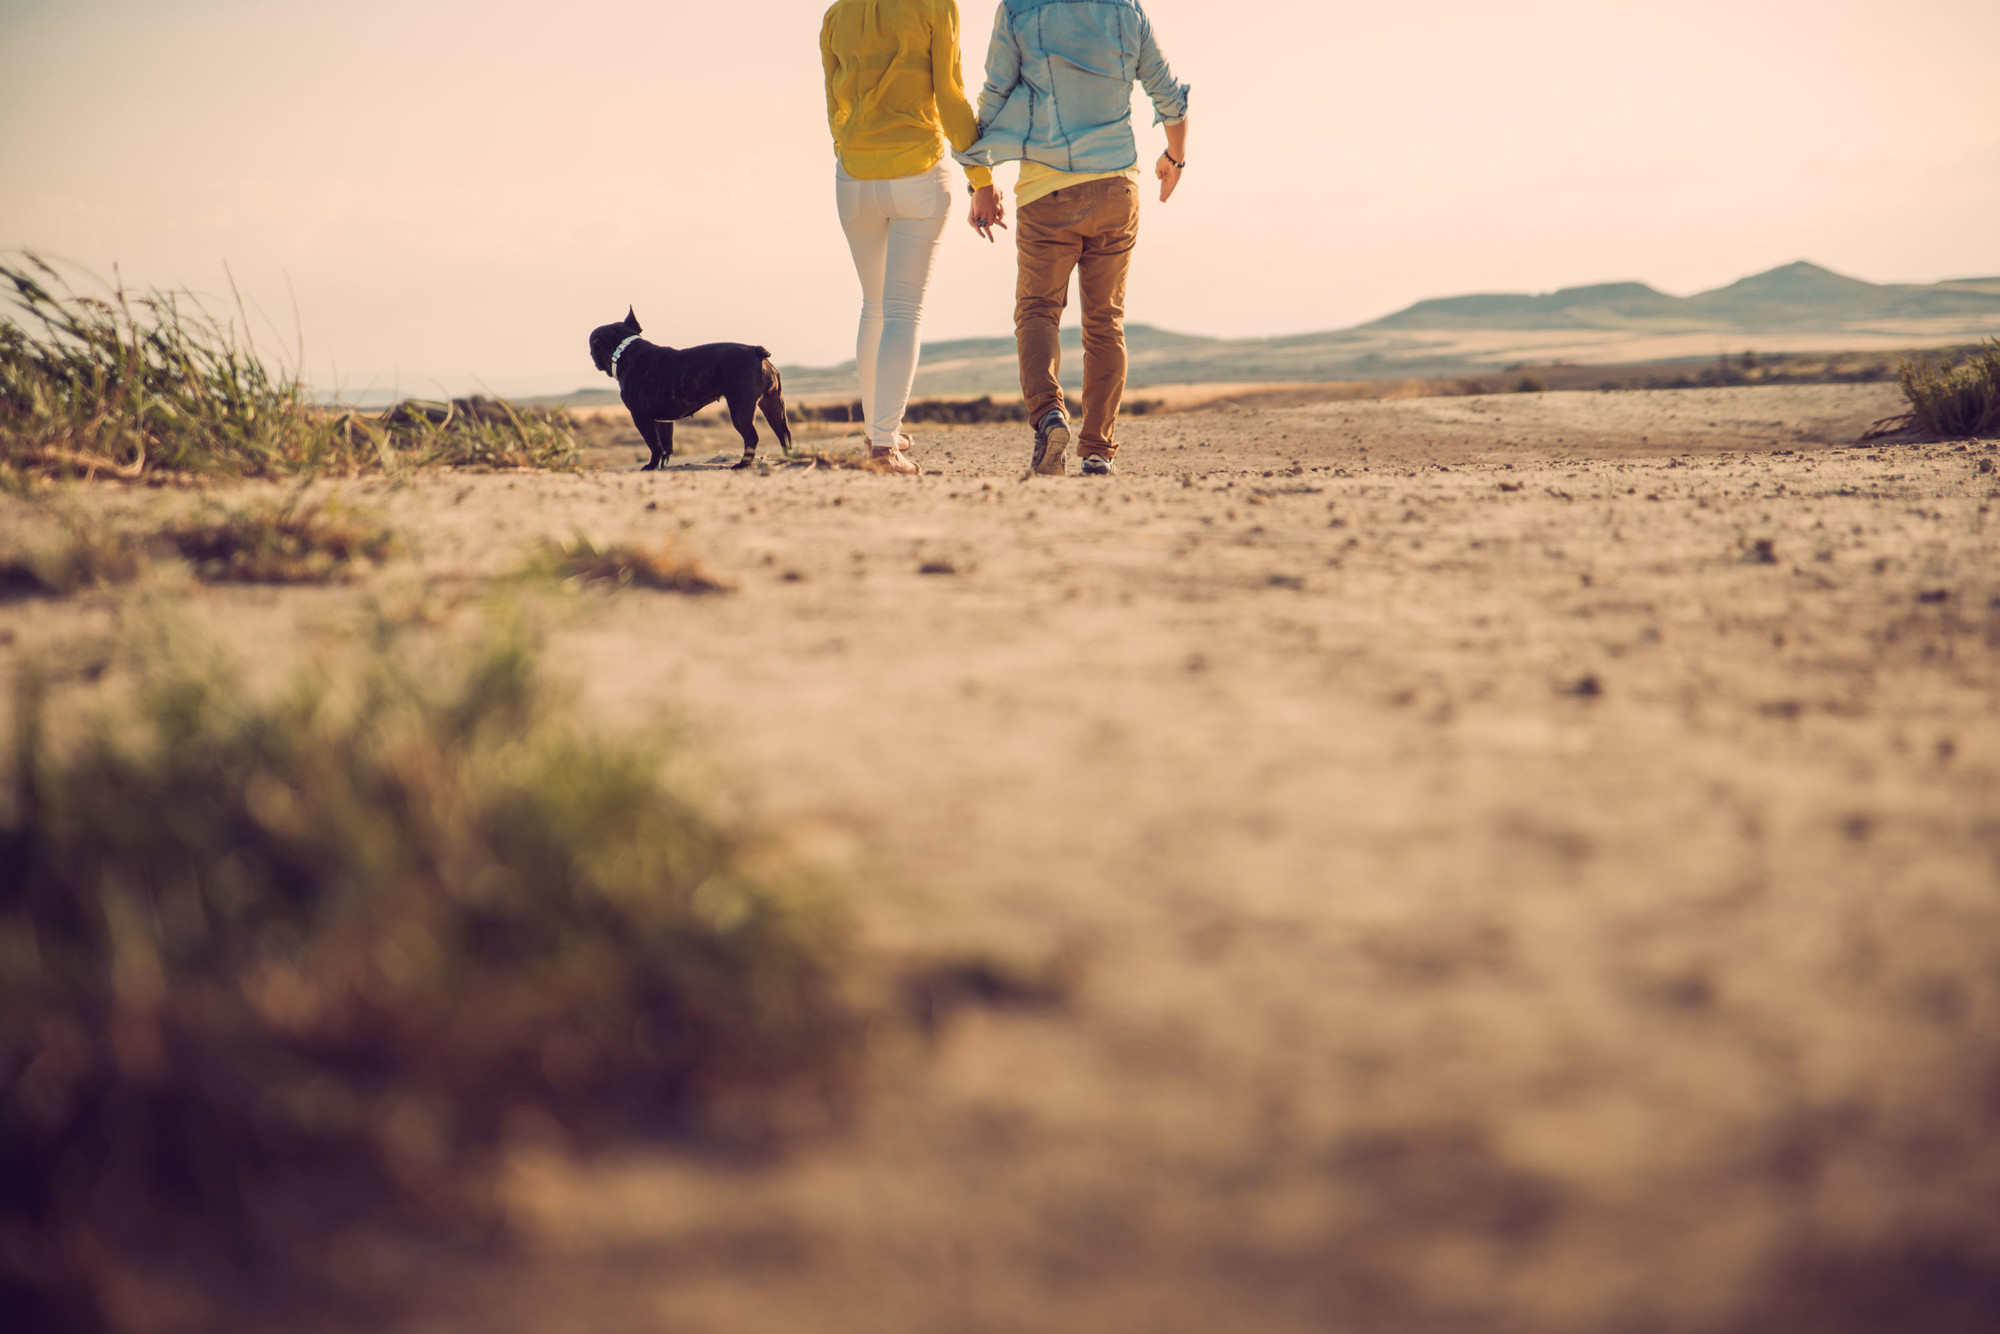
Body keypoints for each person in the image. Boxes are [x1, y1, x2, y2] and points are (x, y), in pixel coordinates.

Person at [955, 0, 1189, 477]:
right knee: (1105, 321)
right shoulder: (1127, 10)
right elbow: (1169, 94)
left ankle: (1050, 416)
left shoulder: (1018, 10)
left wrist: (981, 180)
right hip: (1117, 187)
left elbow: (994, 97)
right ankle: (1098, 449)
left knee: (1038, 310)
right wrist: (1175, 158)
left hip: (1046, 192)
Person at [822, 0, 996, 474]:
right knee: (902, 309)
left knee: (874, 305)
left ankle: (878, 432)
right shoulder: (934, 6)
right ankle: (884, 446)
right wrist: (981, 178)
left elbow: (834, 104)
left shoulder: (836, 16)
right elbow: (951, 96)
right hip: (918, 172)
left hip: (854, 177)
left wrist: (850, 151)